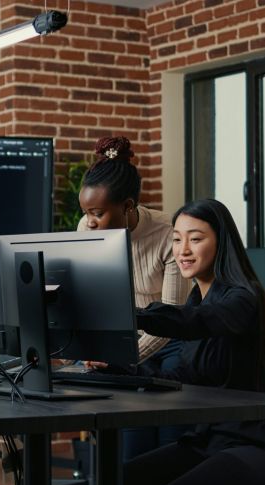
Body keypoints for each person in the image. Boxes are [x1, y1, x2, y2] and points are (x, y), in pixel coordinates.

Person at [124, 198, 265, 485]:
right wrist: (120, 370)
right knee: (123, 482)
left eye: (195, 239)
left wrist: (131, 314)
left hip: (254, 444)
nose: (183, 250)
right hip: (208, 439)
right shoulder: (197, 300)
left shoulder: (243, 298)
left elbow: (198, 322)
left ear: (221, 243)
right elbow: (179, 373)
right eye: (176, 239)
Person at [77, 136, 192, 460]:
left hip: (170, 341)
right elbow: (90, 300)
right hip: (122, 341)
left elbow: (170, 318)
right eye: (85, 212)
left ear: (127, 206)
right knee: (130, 442)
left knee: (170, 440)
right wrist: (95, 346)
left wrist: (121, 355)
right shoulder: (88, 231)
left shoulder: (168, 232)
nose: (89, 222)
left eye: (97, 213)